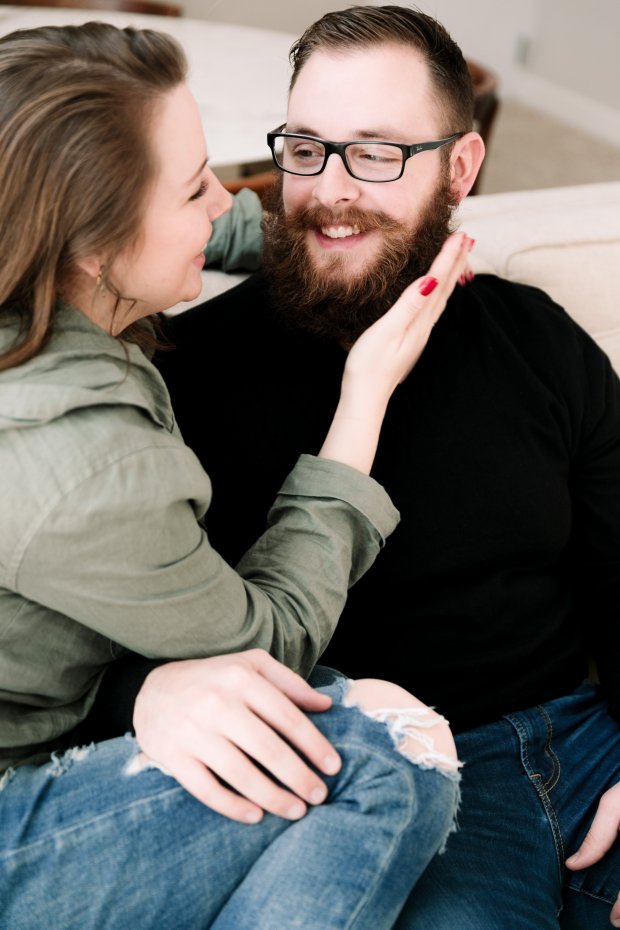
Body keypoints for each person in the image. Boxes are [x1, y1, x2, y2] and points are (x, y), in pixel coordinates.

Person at [144, 6, 620, 930]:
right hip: (399, 772)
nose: (331, 190)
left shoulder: (538, 340)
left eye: (376, 154)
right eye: (306, 149)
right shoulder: (184, 374)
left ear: (462, 167)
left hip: (585, 733)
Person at [0, 20, 471, 930]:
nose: (225, 201)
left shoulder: (32, 262)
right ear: (90, 241)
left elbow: (215, 223)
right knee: (389, 747)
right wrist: (365, 394)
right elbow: (271, 640)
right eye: (193, 189)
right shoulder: (84, 461)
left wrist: (334, 232)